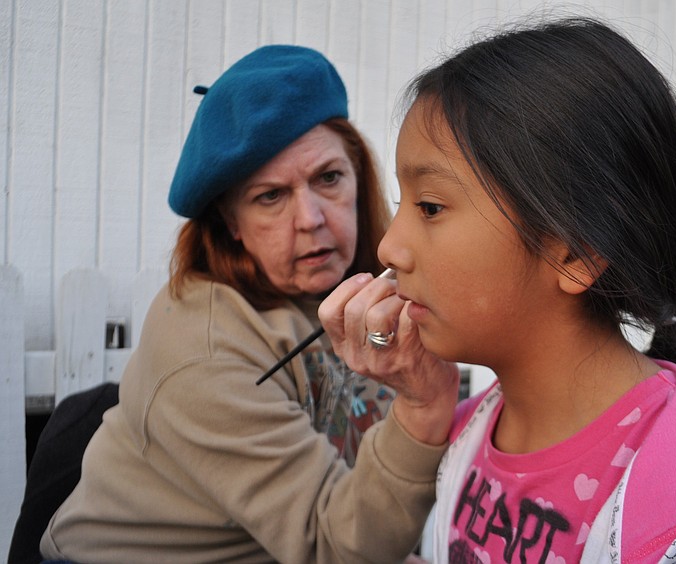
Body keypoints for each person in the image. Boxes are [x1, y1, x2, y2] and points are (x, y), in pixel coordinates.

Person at [318, 18, 676, 563]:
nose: (390, 248)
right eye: (402, 205)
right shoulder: (465, 434)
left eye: (431, 207)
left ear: (576, 253)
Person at [39, 45, 459, 563]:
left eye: (328, 177)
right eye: (270, 196)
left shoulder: (368, 290)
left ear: (358, 177)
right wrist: (424, 404)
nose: (310, 219)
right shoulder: (207, 352)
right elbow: (331, 547)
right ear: (231, 222)